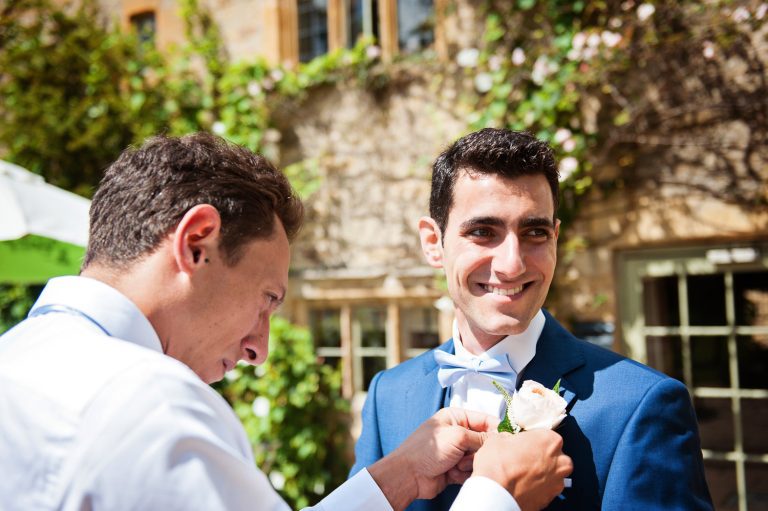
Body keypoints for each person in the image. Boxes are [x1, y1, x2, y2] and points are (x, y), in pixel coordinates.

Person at [0, 132, 572, 511]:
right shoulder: (148, 404)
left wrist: (392, 479)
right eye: (267, 299)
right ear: (198, 244)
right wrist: (494, 497)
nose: (259, 349)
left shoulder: (19, 361)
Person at [351, 128, 714, 510]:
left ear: (555, 238)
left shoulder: (640, 405)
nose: (512, 264)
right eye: (482, 231)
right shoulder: (387, 394)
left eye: (535, 232)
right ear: (432, 242)